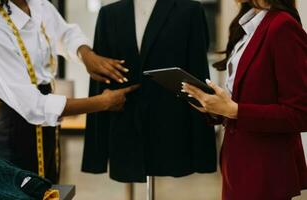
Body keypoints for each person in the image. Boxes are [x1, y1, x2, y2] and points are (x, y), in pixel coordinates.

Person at [0, 0, 139, 183]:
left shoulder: (38, 4)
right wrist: (102, 102)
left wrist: (86, 55)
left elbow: (65, 34)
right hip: (14, 138)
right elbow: (34, 106)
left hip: (49, 132)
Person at [182, 0, 307, 199]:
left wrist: (234, 110)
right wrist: (216, 107)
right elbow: (244, 96)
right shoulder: (246, 24)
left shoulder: (282, 26)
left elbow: (300, 113)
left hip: (265, 170)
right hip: (237, 161)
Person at [82, 0, 217, 183]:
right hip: (124, 126)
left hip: (172, 129)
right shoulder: (109, 14)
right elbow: (99, 81)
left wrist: (203, 153)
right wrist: (96, 156)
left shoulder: (190, 11)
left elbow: (198, 73)